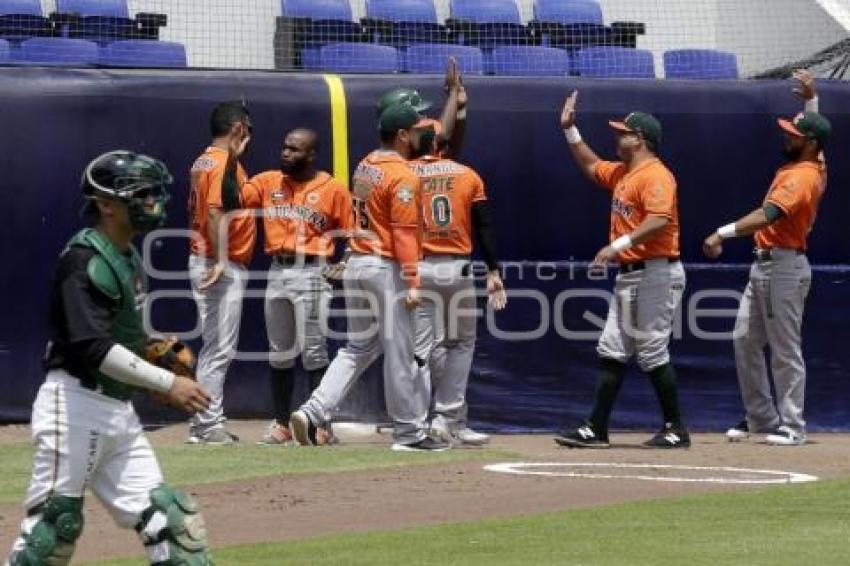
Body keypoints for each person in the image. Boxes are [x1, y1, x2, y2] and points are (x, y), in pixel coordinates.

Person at [7, 151, 213, 565]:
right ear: (105, 204)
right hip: (75, 407)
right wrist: (166, 382)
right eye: (142, 194)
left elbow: (117, 335)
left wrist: (150, 353)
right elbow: (92, 346)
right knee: (52, 532)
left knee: (170, 525)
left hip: (117, 412)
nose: (153, 202)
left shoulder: (127, 257)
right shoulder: (82, 260)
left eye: (155, 193)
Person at [290, 102, 450, 452]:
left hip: (358, 264)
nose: (423, 135)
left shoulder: (366, 164)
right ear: (403, 135)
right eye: (418, 130)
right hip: (383, 268)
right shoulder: (403, 175)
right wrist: (413, 282)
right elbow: (406, 235)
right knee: (401, 352)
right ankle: (409, 434)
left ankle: (312, 411)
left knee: (357, 347)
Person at [554, 91, 690, 449]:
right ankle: (596, 427)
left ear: (640, 139)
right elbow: (590, 165)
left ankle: (676, 428)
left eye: (623, 133)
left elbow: (659, 219)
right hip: (633, 273)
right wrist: (570, 131)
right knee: (613, 347)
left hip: (656, 271)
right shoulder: (625, 173)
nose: (618, 137)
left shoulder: (656, 175)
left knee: (652, 350)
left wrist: (616, 246)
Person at [703, 70, 830, 446]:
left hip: (784, 267)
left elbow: (767, 215)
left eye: (794, 136)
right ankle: (761, 417)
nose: (786, 137)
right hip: (765, 265)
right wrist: (811, 101)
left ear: (808, 144)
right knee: (744, 339)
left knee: (785, 348)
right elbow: (817, 136)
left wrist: (720, 232)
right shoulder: (813, 162)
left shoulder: (803, 177)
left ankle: (792, 425)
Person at [236, 128, 353, 445]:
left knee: (314, 352)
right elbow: (233, 197)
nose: (286, 153)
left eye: (294, 149)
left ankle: (322, 424)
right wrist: (234, 158)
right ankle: (281, 423)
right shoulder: (267, 181)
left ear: (311, 154)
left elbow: (353, 231)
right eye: (284, 147)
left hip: (313, 271)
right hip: (278, 271)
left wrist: (345, 263)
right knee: (280, 352)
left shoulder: (332, 188)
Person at [411, 114, 507, 446]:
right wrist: (494, 271)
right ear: (443, 145)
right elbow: (485, 226)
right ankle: (447, 417)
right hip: (456, 269)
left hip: (418, 268)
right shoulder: (467, 175)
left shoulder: (405, 175)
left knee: (423, 349)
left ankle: (423, 422)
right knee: (460, 343)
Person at [187, 101, 256, 444]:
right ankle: (207, 425)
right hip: (218, 264)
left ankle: (204, 423)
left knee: (215, 346)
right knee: (218, 348)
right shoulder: (216, 162)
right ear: (237, 128)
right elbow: (214, 213)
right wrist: (221, 260)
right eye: (246, 125)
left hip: (209, 259)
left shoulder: (210, 159)